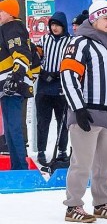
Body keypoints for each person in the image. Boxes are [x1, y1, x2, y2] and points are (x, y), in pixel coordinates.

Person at [60, 0, 107, 223]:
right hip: (87, 112)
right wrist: (78, 108)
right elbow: (68, 76)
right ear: (93, 19)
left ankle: (101, 203)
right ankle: (73, 206)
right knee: (81, 163)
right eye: (105, 18)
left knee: (105, 164)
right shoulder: (80, 43)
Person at [0, 0, 35, 170]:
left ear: (11, 14)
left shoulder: (12, 28)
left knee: (13, 129)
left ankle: (21, 167)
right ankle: (17, 166)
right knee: (10, 129)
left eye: (1, 11)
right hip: (8, 86)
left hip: (13, 85)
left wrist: (16, 77)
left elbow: (21, 54)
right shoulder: (8, 29)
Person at [35, 11, 71, 166]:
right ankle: (41, 150)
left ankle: (62, 150)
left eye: (58, 25)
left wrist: (58, 74)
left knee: (62, 121)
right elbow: (36, 58)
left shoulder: (70, 42)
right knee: (43, 121)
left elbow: (72, 61)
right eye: (52, 25)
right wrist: (42, 72)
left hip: (61, 87)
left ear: (64, 26)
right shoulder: (44, 39)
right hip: (44, 87)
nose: (55, 28)